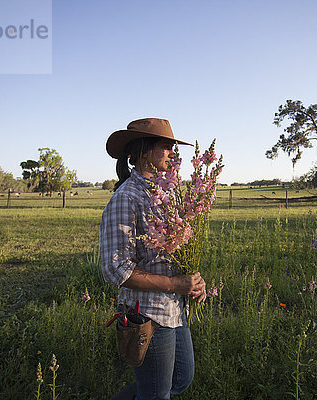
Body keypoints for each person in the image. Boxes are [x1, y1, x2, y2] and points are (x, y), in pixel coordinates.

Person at [99, 118, 207, 400]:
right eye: (166, 146)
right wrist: (174, 284)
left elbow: (179, 251)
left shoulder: (169, 195)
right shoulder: (126, 198)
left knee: (181, 378)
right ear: (144, 151)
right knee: (156, 395)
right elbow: (116, 270)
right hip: (147, 314)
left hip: (175, 308)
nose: (173, 153)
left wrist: (193, 281)